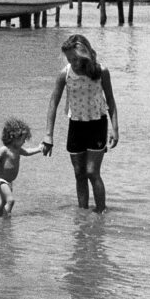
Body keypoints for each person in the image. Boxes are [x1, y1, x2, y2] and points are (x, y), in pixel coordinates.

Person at [43, 34, 119, 212]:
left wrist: (115, 129)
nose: (73, 63)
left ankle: (101, 213)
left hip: (97, 124)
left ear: (85, 53)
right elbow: (53, 103)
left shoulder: (101, 71)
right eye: (70, 59)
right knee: (79, 174)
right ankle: (83, 215)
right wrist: (48, 135)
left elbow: (111, 101)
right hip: (76, 125)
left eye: (76, 58)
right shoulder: (65, 74)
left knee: (92, 172)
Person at [0, 117, 44, 217]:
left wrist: (39, 149)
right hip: (0, 181)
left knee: (4, 202)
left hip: (9, 183)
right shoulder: (4, 150)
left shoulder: (18, 149)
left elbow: (28, 152)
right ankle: (7, 222)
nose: (24, 142)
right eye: (23, 139)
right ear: (13, 137)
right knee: (10, 200)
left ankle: (1, 222)